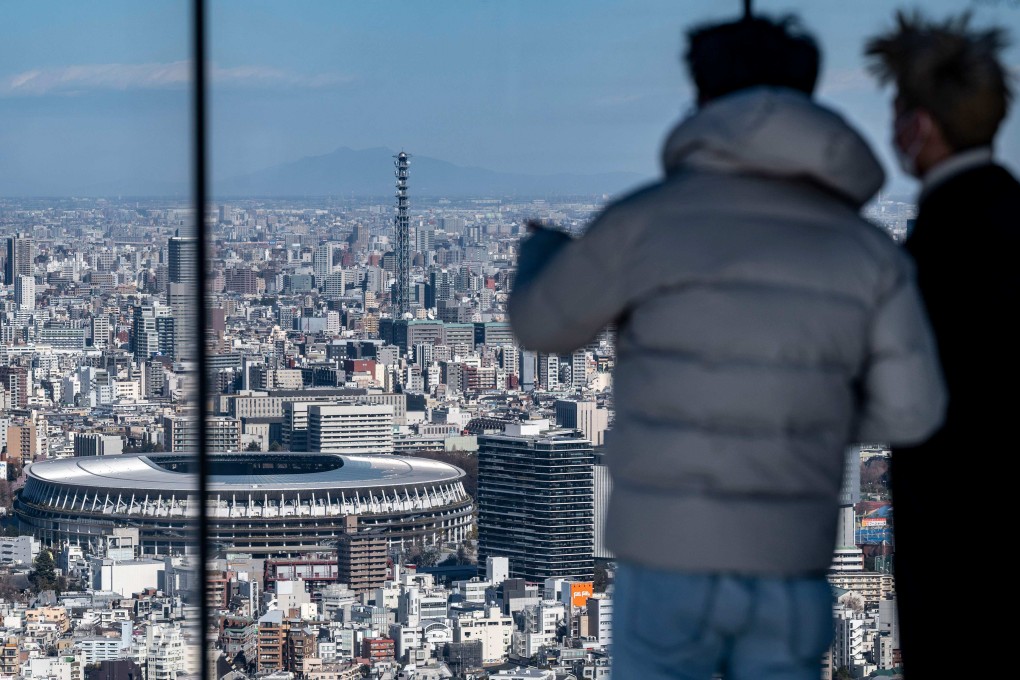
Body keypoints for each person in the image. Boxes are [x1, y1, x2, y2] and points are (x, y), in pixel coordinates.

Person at [509, 14, 946, 680]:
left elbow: (542, 329)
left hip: (665, 564)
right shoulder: (865, 250)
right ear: (808, 98)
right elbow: (914, 412)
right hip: (787, 564)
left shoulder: (644, 222)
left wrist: (542, 253)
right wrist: (809, 412)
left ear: (703, 99)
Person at [865, 12, 1019, 678]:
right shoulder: (1010, 216)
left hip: (961, 550)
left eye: (900, 109)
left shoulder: (936, 250)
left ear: (921, 126)